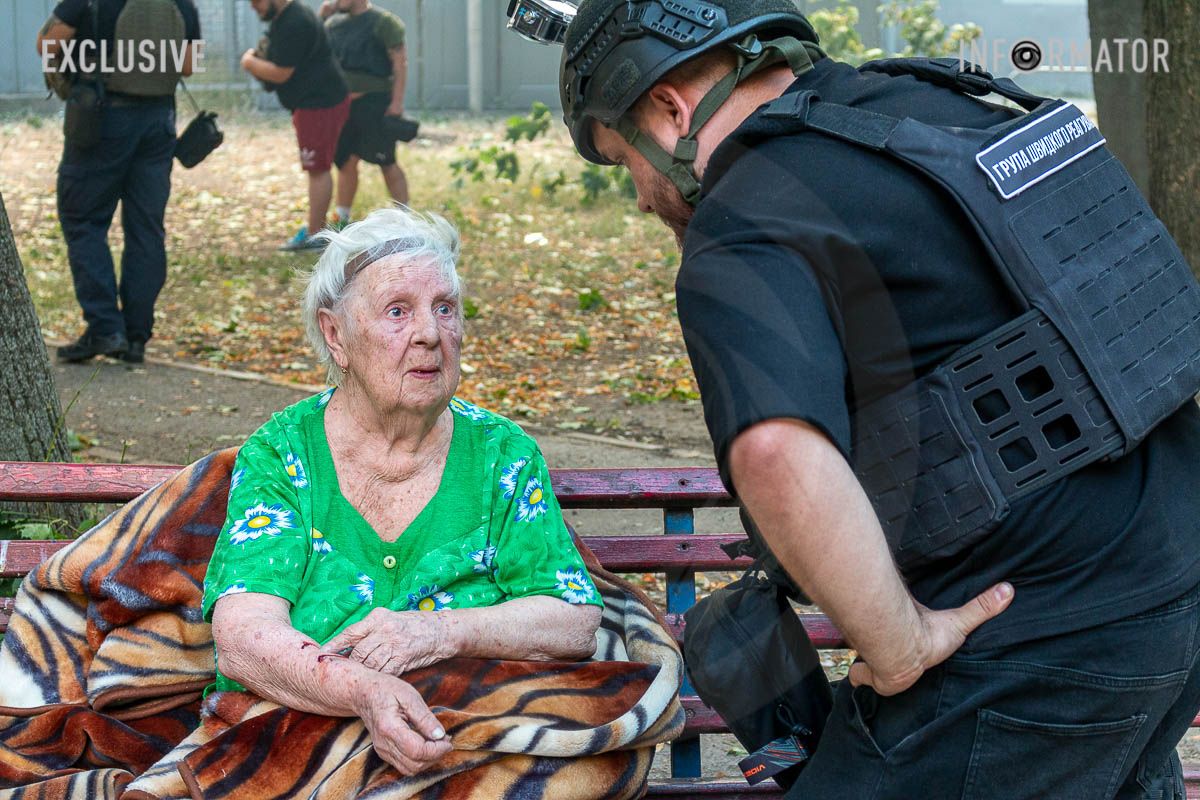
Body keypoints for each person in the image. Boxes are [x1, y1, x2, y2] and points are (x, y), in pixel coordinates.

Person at [553, 1, 1200, 797]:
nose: (645, 198)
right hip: (1174, 580)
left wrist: (899, 647)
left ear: (668, 107)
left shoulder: (746, 213)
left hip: (1039, 642)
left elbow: (776, 453)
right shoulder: (936, 108)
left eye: (626, 164)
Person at [202, 206, 604, 776]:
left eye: (445, 308)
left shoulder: (500, 455)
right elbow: (243, 637)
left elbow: (572, 619)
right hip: (300, 744)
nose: (429, 334)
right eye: (398, 311)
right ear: (335, 334)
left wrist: (438, 633)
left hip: (467, 747)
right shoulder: (283, 454)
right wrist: (362, 691)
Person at [37, 0, 201, 364]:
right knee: (146, 229)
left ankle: (105, 327)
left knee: (83, 219)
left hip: (102, 119)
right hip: (159, 121)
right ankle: (136, 336)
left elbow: (48, 43)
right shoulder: (182, 3)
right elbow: (188, 65)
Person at [241, 0, 350, 251]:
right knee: (317, 167)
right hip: (316, 102)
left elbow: (280, 73)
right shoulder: (288, 16)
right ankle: (316, 229)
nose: (253, 6)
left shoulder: (294, 21)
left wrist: (249, 62)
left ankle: (315, 235)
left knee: (317, 168)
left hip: (318, 104)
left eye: (256, 0)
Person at [320, 0, 411, 225]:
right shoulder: (333, 24)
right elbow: (312, 48)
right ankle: (341, 218)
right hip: (343, 105)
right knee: (345, 161)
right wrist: (321, 18)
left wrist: (397, 102)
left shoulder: (384, 23)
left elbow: (399, 63)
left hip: (375, 104)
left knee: (386, 160)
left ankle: (407, 219)